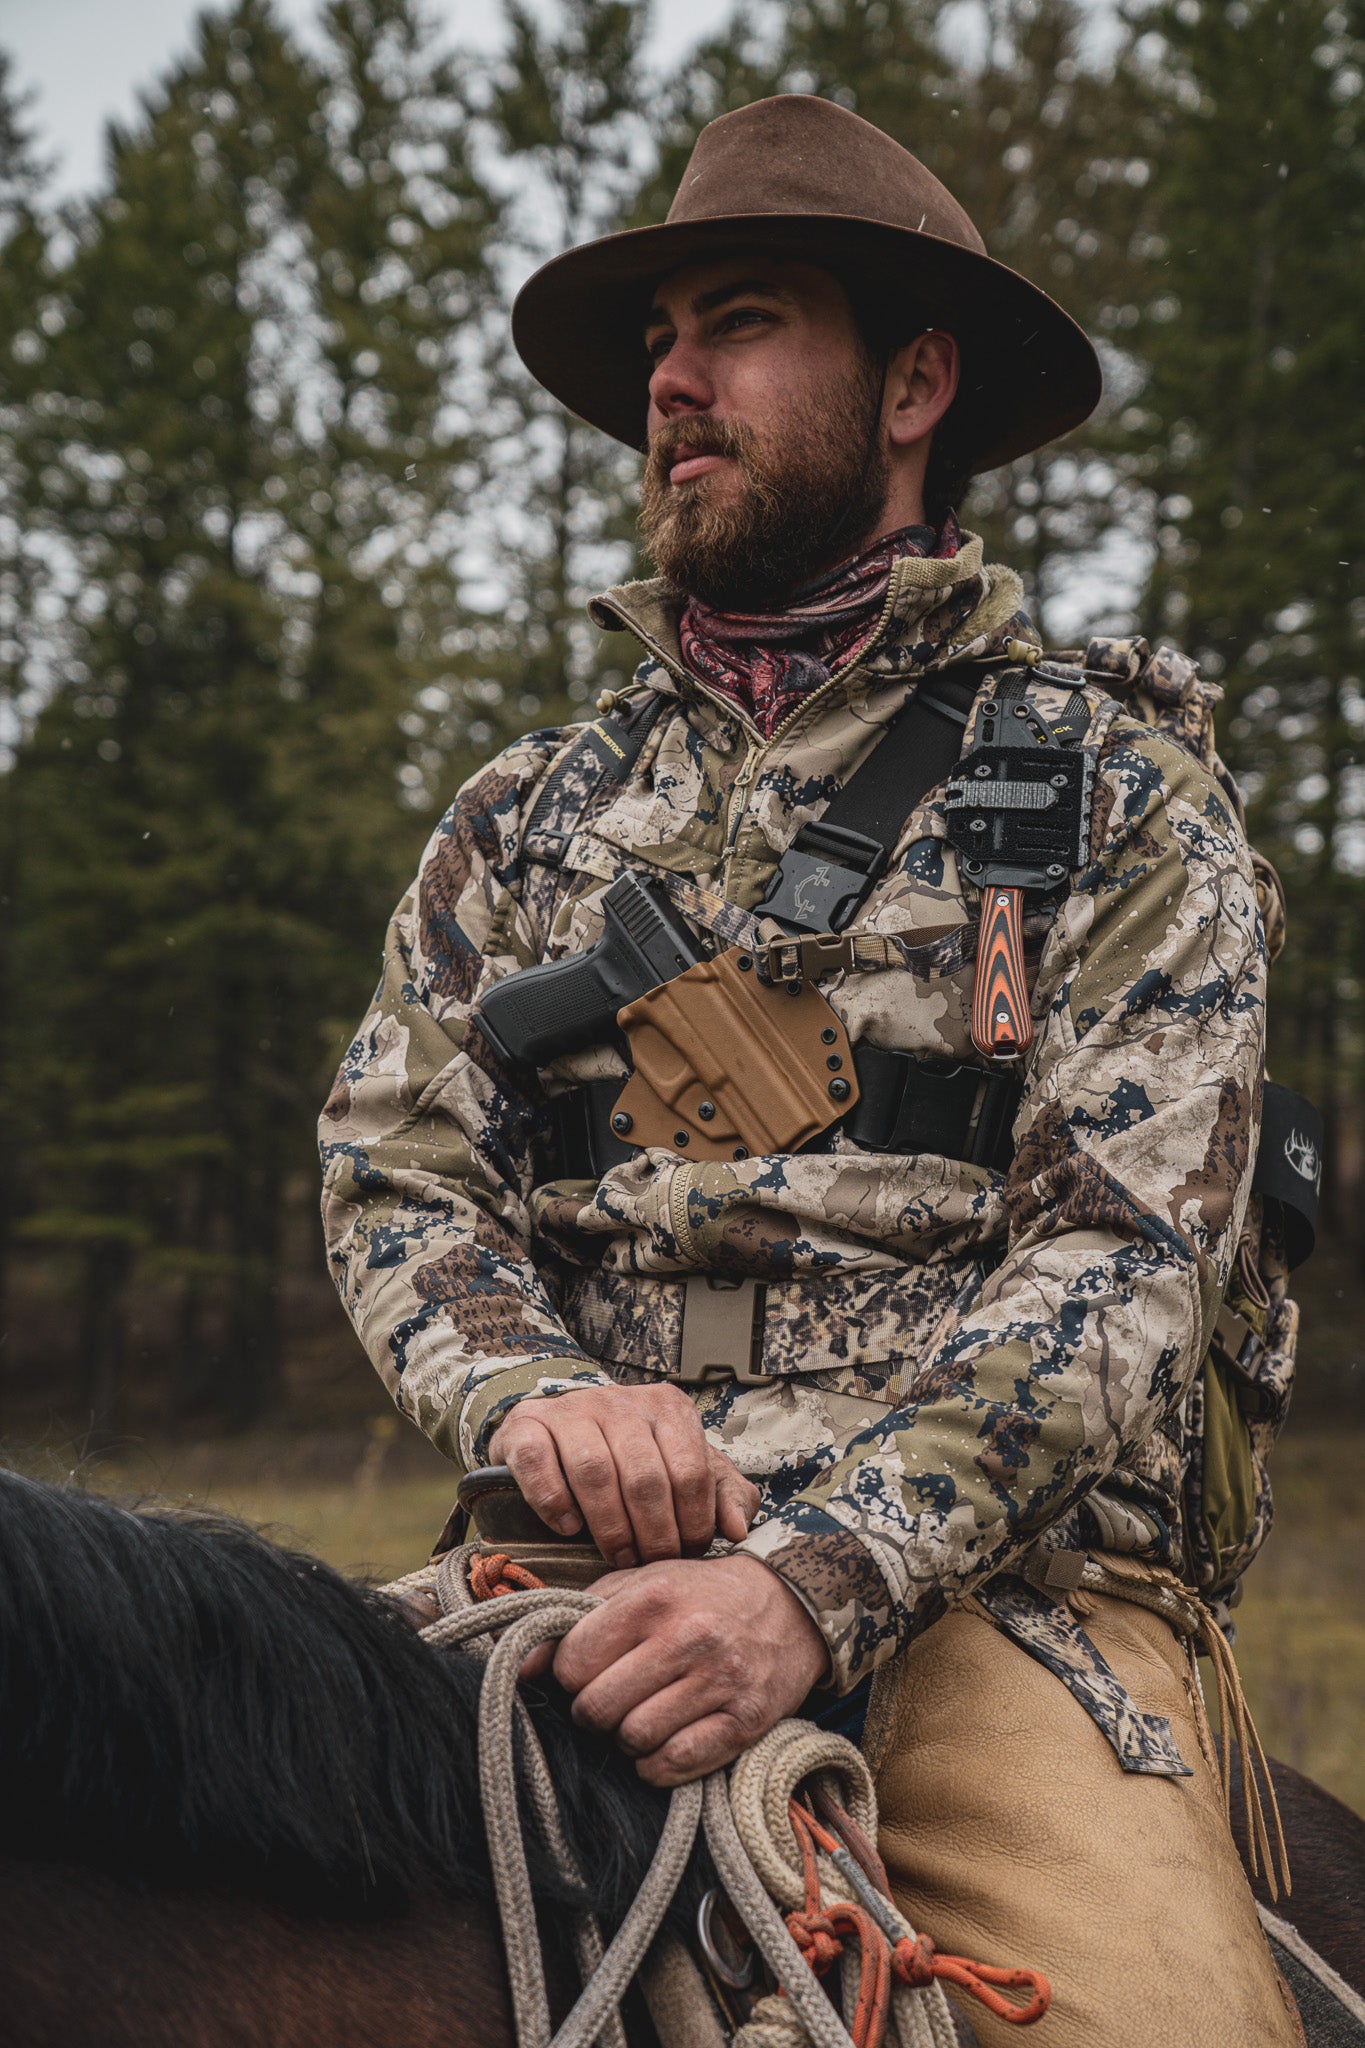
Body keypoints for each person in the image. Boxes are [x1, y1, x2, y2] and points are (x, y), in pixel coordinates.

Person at [320, 95, 1300, 2046]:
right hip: (559, 1566)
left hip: (979, 1604)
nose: (668, 385)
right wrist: (536, 1393)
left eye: (738, 320)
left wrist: (811, 1578)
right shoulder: (520, 821)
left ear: (914, 380)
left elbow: (1114, 1262)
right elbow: (396, 1170)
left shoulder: (1117, 796)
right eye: (657, 343)